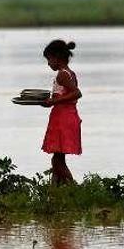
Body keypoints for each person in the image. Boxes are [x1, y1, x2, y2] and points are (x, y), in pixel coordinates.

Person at [41, 39, 82, 184]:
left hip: (63, 118)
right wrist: (51, 101)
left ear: (57, 57)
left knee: (57, 161)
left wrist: (53, 101)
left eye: (49, 59)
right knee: (58, 158)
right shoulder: (69, 73)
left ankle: (72, 187)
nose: (48, 63)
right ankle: (56, 193)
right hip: (65, 116)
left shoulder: (62, 74)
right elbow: (66, 95)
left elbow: (77, 93)